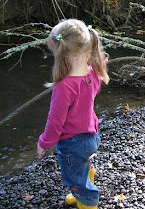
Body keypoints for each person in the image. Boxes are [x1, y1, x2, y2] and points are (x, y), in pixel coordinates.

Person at [37, 19, 109, 209]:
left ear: (61, 54)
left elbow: (55, 123)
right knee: (82, 164)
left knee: (74, 177)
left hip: (73, 143)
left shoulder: (64, 87)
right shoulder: (93, 73)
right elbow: (94, 89)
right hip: (92, 136)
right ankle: (85, 183)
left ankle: (87, 199)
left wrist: (44, 143)